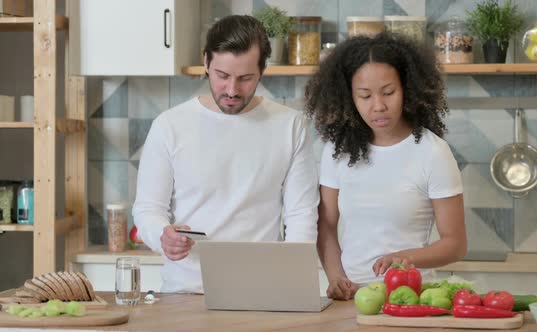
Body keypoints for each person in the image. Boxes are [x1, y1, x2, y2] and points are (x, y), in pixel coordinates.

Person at [132, 15, 319, 293]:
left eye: (245, 78)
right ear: (206, 62)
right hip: (186, 291)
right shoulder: (169, 125)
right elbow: (148, 209)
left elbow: (301, 215)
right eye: (222, 76)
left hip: (263, 292)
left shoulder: (290, 126)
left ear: (262, 70)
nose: (232, 90)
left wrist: (294, 283)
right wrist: (163, 236)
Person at [304, 32, 466, 301]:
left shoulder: (433, 152)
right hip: (354, 300)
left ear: (407, 89)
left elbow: (456, 244)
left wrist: (405, 258)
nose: (378, 106)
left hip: (412, 297)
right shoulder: (337, 150)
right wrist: (336, 279)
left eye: (388, 93)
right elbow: (326, 227)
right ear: (349, 97)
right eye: (365, 96)